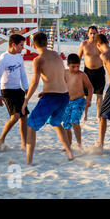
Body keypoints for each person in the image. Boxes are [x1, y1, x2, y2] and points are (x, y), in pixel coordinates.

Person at [21, 32, 73, 165]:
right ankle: (69, 153)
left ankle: (28, 160)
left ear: (34, 44)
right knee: (56, 123)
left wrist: (26, 100)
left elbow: (34, 82)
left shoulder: (38, 59)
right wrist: (46, 91)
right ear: (46, 42)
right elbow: (60, 76)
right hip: (64, 95)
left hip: (52, 97)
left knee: (31, 125)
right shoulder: (56, 54)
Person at [0, 34, 30, 151]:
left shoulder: (19, 57)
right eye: (21, 45)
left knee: (24, 117)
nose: (23, 48)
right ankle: (1, 138)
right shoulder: (3, 58)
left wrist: (27, 88)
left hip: (18, 90)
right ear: (13, 45)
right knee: (15, 116)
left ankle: (24, 144)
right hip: (6, 90)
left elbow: (23, 74)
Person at [52, 53, 93, 149]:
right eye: (73, 67)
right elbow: (57, 84)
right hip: (67, 102)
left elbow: (90, 87)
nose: (76, 69)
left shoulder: (82, 75)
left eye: (78, 66)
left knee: (74, 121)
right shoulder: (64, 73)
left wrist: (89, 99)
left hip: (79, 101)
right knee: (66, 125)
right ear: (68, 65)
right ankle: (69, 144)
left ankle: (79, 144)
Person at [78, 26, 106, 121]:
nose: (93, 35)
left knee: (99, 95)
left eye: (94, 33)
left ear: (97, 33)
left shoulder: (100, 45)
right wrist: (76, 71)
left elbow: (107, 57)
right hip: (87, 72)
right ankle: (85, 115)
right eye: (91, 33)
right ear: (88, 34)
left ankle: (98, 115)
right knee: (87, 95)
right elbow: (78, 57)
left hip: (99, 71)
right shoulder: (84, 44)